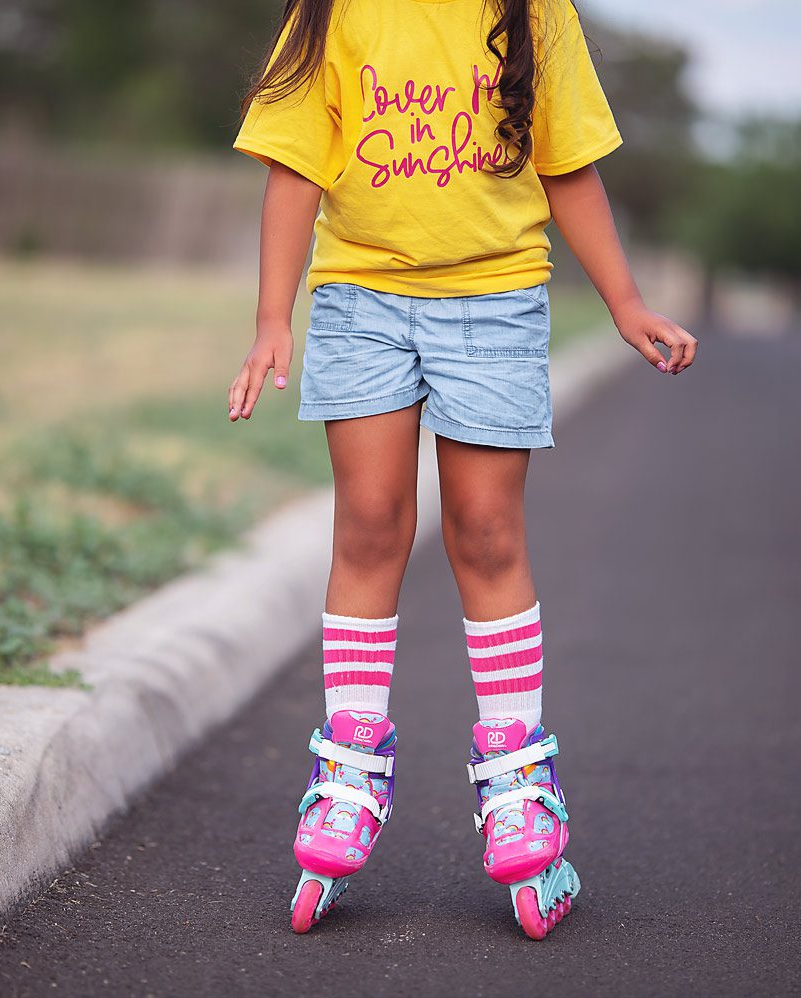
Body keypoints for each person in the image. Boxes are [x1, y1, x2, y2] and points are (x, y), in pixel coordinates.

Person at [228, 0, 697, 938]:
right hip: (361, 299)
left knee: (485, 530)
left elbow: (569, 166)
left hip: (495, 301)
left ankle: (520, 780)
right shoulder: (330, 11)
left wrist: (625, 300)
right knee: (369, 522)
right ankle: (349, 771)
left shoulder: (533, 12)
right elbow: (294, 163)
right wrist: (274, 317)